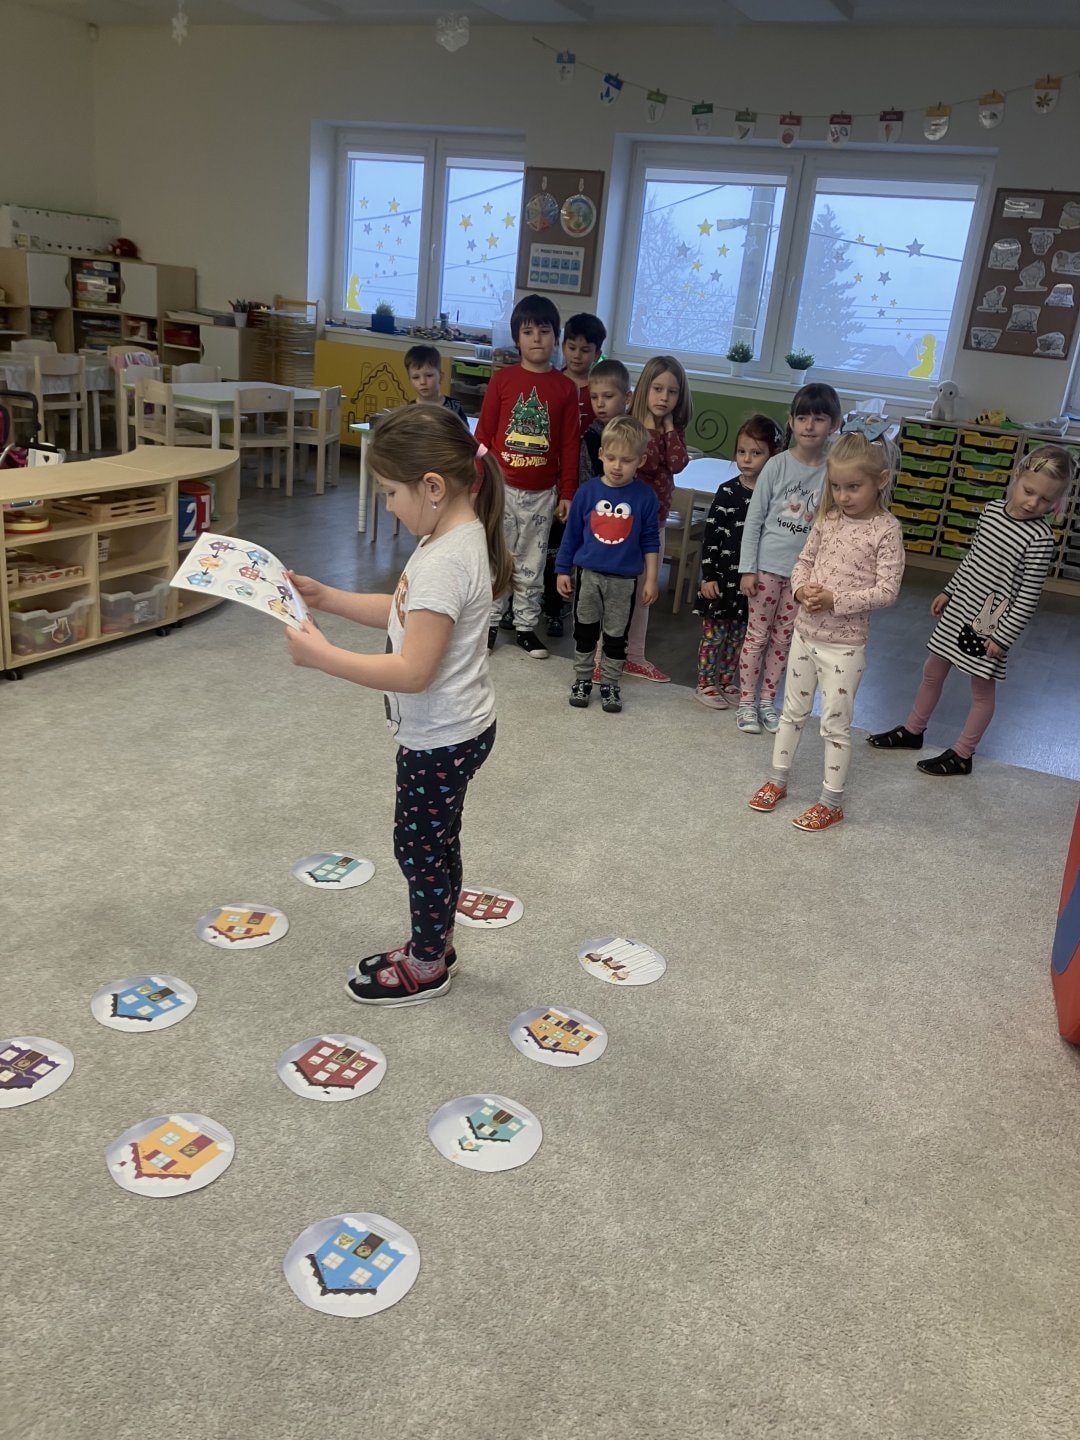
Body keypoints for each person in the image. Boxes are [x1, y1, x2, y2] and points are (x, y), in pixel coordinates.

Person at [285, 405, 511, 1006]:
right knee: (438, 843)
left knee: (419, 850)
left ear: (432, 487)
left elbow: (412, 671)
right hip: (459, 728)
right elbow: (405, 611)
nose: (386, 506)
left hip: (440, 737)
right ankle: (436, 942)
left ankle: (427, 962)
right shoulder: (449, 538)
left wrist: (324, 657)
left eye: (389, 492)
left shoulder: (446, 559)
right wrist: (328, 597)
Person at [866, 443, 1075, 777]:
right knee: (933, 669)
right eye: (1029, 491)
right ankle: (913, 730)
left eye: (1046, 500)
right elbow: (973, 559)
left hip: (989, 625)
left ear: (1058, 501)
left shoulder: (1040, 539)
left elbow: (1028, 596)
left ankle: (963, 754)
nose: (1033, 503)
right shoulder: (991, 512)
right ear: (1017, 476)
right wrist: (949, 590)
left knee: (981, 689)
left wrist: (1003, 637)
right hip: (961, 608)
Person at [748, 431, 905, 831]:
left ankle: (831, 802)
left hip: (845, 647)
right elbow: (803, 561)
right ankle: (777, 779)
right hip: (805, 634)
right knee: (791, 713)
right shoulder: (828, 518)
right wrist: (801, 589)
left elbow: (887, 591)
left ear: (881, 481)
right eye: (836, 486)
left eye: (853, 487)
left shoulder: (886, 530)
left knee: (835, 725)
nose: (843, 496)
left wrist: (837, 600)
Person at [736, 382, 843, 734]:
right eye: (802, 417)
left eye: (819, 418)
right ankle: (747, 702)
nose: (809, 426)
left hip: (804, 577)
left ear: (834, 424)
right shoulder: (776, 465)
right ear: (791, 421)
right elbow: (754, 519)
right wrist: (747, 568)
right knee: (757, 636)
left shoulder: (833, 471)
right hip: (766, 569)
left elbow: (832, 526)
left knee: (785, 640)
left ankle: (768, 701)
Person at [477, 293, 579, 659]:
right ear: (517, 338)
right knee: (497, 560)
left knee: (531, 566)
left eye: (545, 331)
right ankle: (489, 625)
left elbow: (569, 446)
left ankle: (524, 627)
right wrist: (478, 484)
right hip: (501, 491)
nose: (537, 338)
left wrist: (567, 493)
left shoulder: (565, 388)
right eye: (528, 331)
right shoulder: (502, 381)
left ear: (556, 338)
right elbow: (483, 437)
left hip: (542, 495)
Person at [556, 415, 660, 714]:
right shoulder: (587, 493)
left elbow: (650, 541)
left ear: (640, 461)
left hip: (623, 581)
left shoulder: (645, 498)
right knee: (585, 631)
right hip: (588, 576)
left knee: (616, 636)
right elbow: (572, 535)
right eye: (611, 458)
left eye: (626, 460)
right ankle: (582, 679)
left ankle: (611, 684)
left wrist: (651, 579)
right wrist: (562, 570)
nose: (617, 466)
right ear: (601, 454)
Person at [695, 414, 784, 710]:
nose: (746, 459)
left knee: (739, 637)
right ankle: (705, 683)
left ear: (773, 455)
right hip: (720, 581)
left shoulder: (775, 496)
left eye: (756, 453)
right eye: (741, 451)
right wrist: (708, 576)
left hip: (752, 582)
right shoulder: (728, 491)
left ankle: (726, 680)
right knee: (714, 635)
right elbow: (711, 537)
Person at [618, 354, 693, 683]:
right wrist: (651, 427)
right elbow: (647, 461)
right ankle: (602, 653)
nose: (664, 397)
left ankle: (635, 655)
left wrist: (670, 429)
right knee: (616, 591)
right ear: (644, 389)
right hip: (624, 523)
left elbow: (677, 463)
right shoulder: (631, 427)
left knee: (644, 593)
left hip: (656, 524)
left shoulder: (673, 431)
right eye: (658, 389)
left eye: (672, 392)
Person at [540, 312, 609, 638]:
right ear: (562, 345)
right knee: (544, 542)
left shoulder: (601, 391)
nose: (577, 355)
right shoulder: (552, 382)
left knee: (573, 546)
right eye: (572, 347)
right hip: (550, 479)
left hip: (587, 484)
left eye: (585, 350)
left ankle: (560, 605)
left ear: (597, 353)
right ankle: (533, 600)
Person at [403, 344, 469, 422]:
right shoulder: (409, 411)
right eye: (416, 377)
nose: (422, 382)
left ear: (441, 377)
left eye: (429, 375)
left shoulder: (454, 407)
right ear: (410, 380)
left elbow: (463, 429)